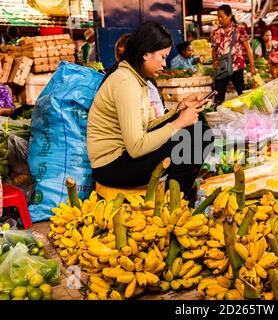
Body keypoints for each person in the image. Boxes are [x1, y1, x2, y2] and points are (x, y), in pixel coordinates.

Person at [87, 21, 213, 199]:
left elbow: (146, 126)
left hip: (122, 157)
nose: (164, 63)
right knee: (197, 137)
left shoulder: (136, 78)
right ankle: (176, 201)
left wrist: (178, 110)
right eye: (162, 57)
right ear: (146, 53)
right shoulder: (126, 83)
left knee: (198, 126)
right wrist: (179, 122)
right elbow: (136, 147)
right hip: (111, 167)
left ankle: (174, 192)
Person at [211, 4, 256, 104]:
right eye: (218, 17)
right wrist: (214, 60)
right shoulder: (216, 32)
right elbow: (214, 50)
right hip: (222, 67)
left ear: (229, 16)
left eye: (222, 17)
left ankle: (247, 116)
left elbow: (248, 49)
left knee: (242, 93)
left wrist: (252, 66)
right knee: (218, 97)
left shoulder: (239, 30)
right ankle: (215, 117)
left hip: (237, 67)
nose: (219, 19)